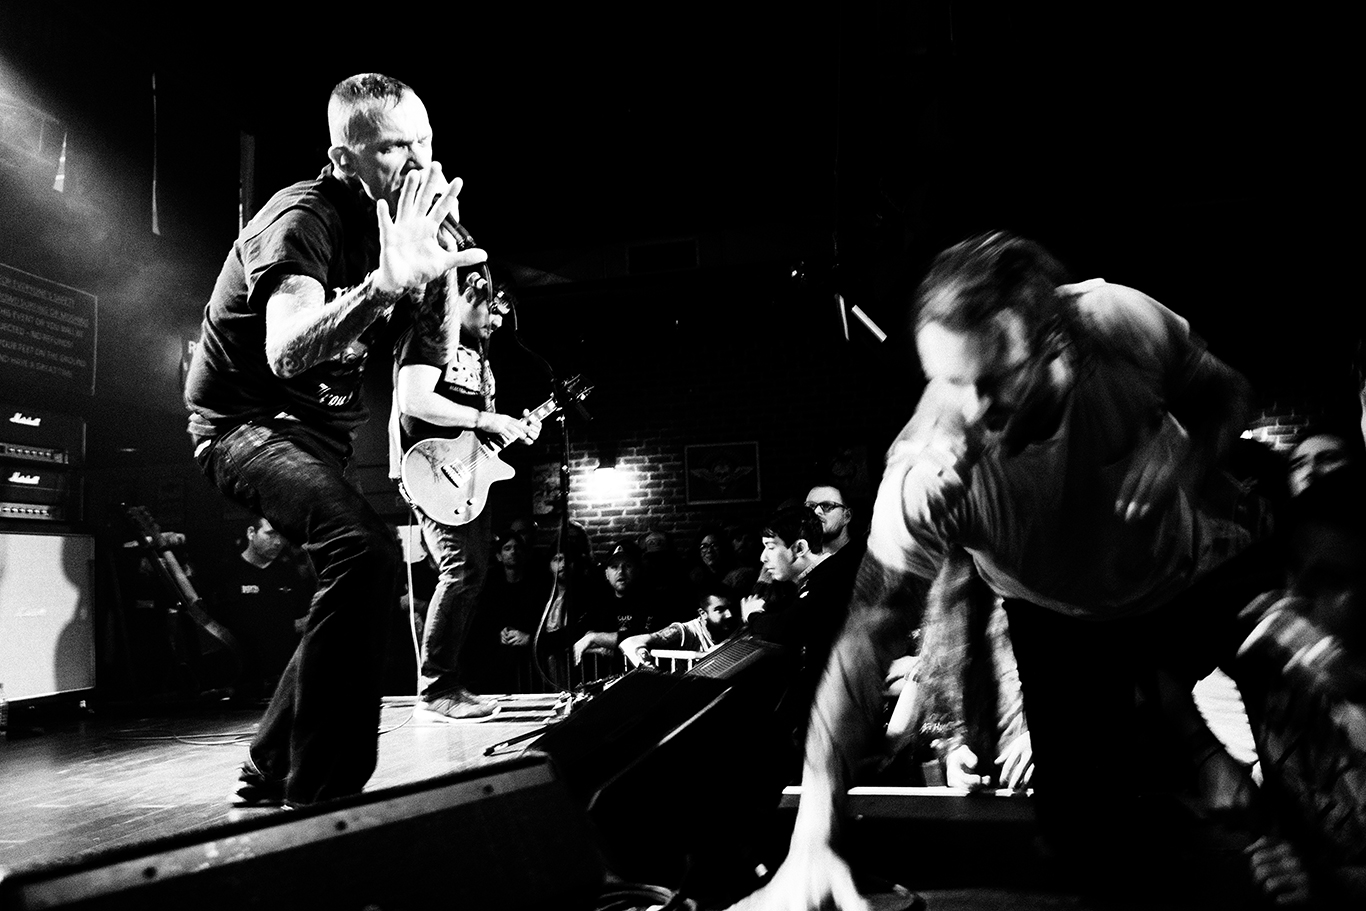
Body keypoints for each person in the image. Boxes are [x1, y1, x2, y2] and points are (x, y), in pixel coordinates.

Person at [734, 231, 1259, 910]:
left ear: (1055, 340)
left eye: (994, 378)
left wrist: (1188, 463)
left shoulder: (1115, 322)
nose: (972, 409)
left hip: (1183, 577)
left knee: (1293, 734)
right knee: (1087, 843)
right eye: (949, 381)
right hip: (1058, 623)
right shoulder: (927, 470)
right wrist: (814, 833)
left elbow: (1226, 395)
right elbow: (864, 641)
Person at [184, 72, 486, 807]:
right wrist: (383, 284)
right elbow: (287, 350)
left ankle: (266, 765)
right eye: (393, 149)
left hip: (319, 439)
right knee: (366, 550)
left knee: (359, 576)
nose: (418, 163)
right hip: (242, 426)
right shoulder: (303, 217)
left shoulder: (417, 223)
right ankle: (322, 794)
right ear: (346, 157)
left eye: (426, 142)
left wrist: (437, 274)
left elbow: (430, 361)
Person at [392, 273, 541, 720]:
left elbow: (477, 429)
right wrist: (485, 420)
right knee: (461, 570)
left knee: (472, 573)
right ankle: (436, 687)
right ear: (471, 294)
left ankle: (448, 682)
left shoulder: (479, 355)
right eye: (493, 311)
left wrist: (512, 428)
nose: (497, 322)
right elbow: (412, 402)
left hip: (465, 475)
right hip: (432, 470)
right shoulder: (433, 332)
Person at [1237, 468, 1366, 908]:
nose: (1296, 598)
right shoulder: (1276, 666)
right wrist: (1208, 759)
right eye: (1299, 573)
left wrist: (1329, 884)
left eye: (1334, 579)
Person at [208, 516, 314, 699]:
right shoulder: (227, 573)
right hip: (241, 678)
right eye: (270, 534)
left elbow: (303, 619)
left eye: (282, 536)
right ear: (251, 533)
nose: (278, 542)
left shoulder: (288, 573)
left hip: (283, 677)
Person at [620, 586, 742, 668]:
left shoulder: (743, 624)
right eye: (720, 610)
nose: (729, 615)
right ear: (703, 613)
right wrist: (649, 669)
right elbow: (630, 642)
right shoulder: (688, 630)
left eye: (731, 608)